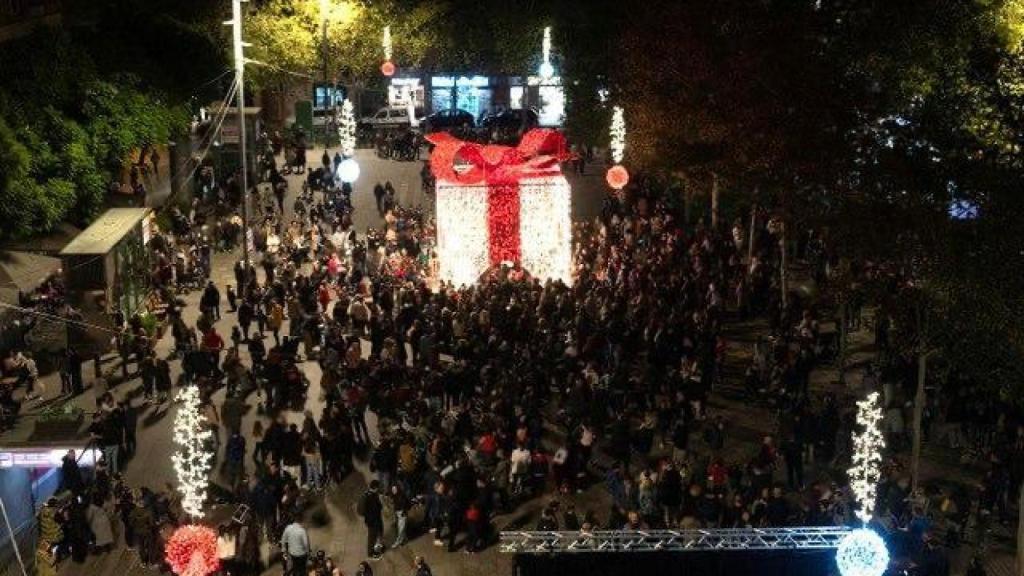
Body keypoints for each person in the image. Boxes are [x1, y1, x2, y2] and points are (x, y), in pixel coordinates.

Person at [358, 480, 384, 559]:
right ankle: (370, 552)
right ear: (375, 488)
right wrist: (369, 515)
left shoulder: (374, 494)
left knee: (380, 530)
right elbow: (360, 511)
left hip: (377, 518)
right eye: (378, 488)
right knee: (372, 536)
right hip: (372, 521)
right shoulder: (366, 497)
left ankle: (378, 544)